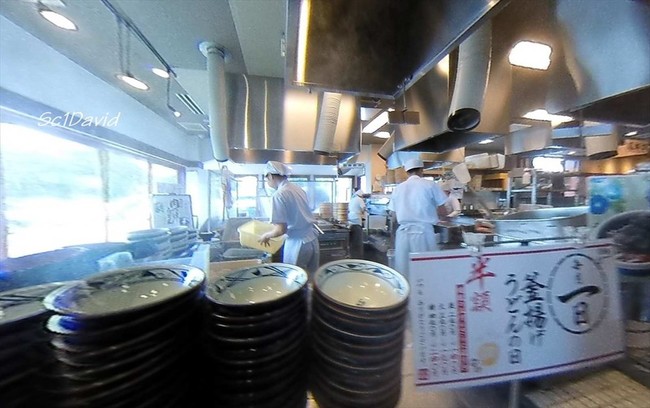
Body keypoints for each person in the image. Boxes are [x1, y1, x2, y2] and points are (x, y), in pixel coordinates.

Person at [388, 158, 449, 281]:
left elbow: (393, 215)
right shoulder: (430, 185)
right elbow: (443, 210)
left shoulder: (398, 188)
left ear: (407, 172)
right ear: (421, 170)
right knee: (425, 271)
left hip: (403, 234)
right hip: (423, 234)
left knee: (403, 272)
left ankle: (407, 293)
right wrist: (443, 217)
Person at [258, 160, 320, 274]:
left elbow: (281, 230)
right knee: (312, 277)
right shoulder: (298, 189)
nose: (267, 182)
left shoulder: (279, 194)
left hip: (297, 243)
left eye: (266, 178)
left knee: (293, 278)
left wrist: (266, 235)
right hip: (311, 240)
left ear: (270, 176)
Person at [347, 188, 367, 259]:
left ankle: (352, 256)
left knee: (353, 241)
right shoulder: (359, 199)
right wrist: (364, 213)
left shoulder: (352, 199)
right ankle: (358, 258)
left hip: (350, 219)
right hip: (356, 220)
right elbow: (363, 208)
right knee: (358, 241)